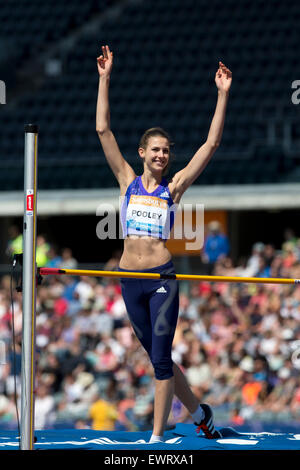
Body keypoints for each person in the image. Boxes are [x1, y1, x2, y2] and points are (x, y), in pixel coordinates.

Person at [96, 44, 232, 442]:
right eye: (155, 149)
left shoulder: (173, 189)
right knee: (162, 361)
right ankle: (201, 414)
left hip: (160, 279)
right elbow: (103, 130)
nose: (161, 155)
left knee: (159, 361)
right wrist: (104, 79)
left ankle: (156, 438)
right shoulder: (127, 180)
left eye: (166, 151)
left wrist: (222, 95)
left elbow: (210, 146)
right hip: (128, 280)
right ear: (142, 153)